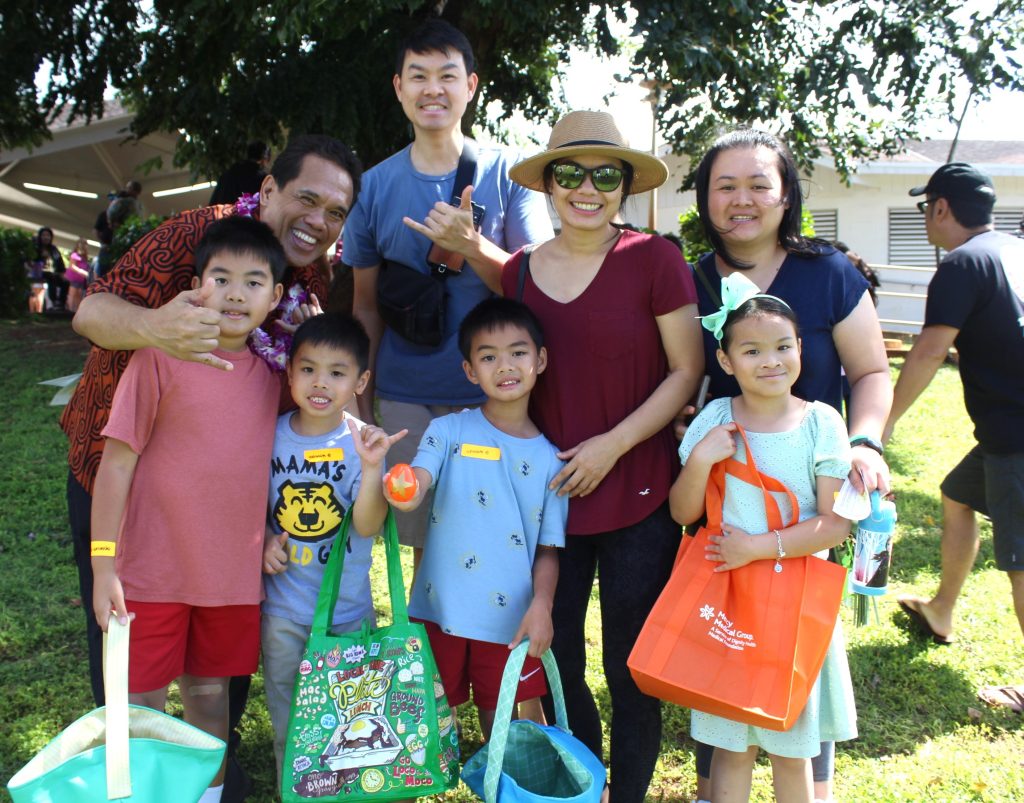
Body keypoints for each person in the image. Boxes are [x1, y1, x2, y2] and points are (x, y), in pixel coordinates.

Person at [64, 134, 360, 801]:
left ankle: (208, 783)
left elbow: (273, 434)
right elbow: (91, 307)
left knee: (213, 684)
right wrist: (157, 329)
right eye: (306, 198)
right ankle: (139, 783)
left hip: (225, 550)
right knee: (128, 668)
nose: (318, 218)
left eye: (336, 210)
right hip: (125, 488)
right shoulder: (198, 233)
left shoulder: (310, 277)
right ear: (271, 187)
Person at [501, 109, 705, 803]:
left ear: (624, 184)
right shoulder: (519, 275)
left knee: (631, 664)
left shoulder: (654, 257)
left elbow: (686, 369)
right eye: (570, 172)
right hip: (549, 499)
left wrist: (613, 445)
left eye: (606, 174)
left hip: (639, 490)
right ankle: (584, 782)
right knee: (556, 656)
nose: (587, 188)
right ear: (548, 184)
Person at [686, 129, 891, 803]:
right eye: (726, 185)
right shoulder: (692, 279)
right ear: (704, 197)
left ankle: (808, 782)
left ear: (786, 195)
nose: (742, 199)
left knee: (796, 653)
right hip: (725, 498)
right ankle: (719, 783)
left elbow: (869, 370)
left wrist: (864, 442)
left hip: (809, 500)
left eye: (758, 184)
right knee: (728, 641)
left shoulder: (829, 271)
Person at [90, 216, 287, 803]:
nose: (234, 293)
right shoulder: (157, 360)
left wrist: (274, 529)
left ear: (275, 297)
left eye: (253, 282)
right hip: (150, 578)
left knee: (209, 701)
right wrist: (104, 565)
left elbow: (283, 465)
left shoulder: (276, 377)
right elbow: (116, 465)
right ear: (195, 284)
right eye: (220, 278)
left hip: (230, 583)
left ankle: (207, 796)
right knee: (142, 705)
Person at [346, 17, 553, 572]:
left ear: (472, 85)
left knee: (498, 538)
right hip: (407, 394)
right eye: (417, 76)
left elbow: (539, 288)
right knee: (419, 546)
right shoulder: (374, 186)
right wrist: (362, 406)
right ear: (398, 88)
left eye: (446, 75)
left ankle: (493, 657)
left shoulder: (511, 173)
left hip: (496, 396)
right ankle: (434, 656)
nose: (432, 89)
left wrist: (473, 245)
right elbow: (365, 306)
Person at [670, 275, 857, 803]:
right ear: (726, 362)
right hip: (727, 607)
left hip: (793, 605)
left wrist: (755, 547)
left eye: (782, 346)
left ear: (802, 349)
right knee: (732, 747)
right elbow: (682, 511)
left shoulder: (822, 423)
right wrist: (701, 457)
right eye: (751, 350)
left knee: (790, 746)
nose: (770, 361)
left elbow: (835, 524)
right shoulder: (715, 419)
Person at [385, 297, 567, 739]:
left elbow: (548, 550)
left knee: (512, 734)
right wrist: (402, 482)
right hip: (436, 610)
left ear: (540, 359)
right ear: (470, 370)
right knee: (422, 728)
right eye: (488, 356)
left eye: (518, 353)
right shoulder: (448, 431)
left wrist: (542, 607)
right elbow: (417, 485)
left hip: (511, 623)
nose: (504, 366)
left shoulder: (552, 461)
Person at [884, 162, 1024, 712]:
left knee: (1018, 560)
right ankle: (941, 609)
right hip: (1001, 430)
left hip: (1016, 434)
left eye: (926, 207)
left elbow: (928, 351)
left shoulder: (962, 264)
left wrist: (886, 419)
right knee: (957, 493)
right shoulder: (1011, 248)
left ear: (941, 208)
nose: (925, 218)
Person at [260, 312, 405, 776]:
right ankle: (296, 784)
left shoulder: (362, 442)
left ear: (360, 381)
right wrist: (261, 540)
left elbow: (366, 526)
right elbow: (251, 508)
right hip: (282, 611)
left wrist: (370, 468)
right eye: (308, 369)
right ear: (289, 372)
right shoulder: (270, 434)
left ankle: (345, 785)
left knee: (351, 721)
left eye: (337, 373)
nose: (320, 383)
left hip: (347, 612)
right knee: (287, 711)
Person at [210, 142, 272, 206]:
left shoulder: (228, 173)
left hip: (222, 213)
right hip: (244, 214)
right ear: (264, 158)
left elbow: (213, 203)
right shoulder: (263, 179)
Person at [31, 226, 68, 310]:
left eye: (48, 235)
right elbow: (31, 260)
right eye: (44, 235)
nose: (46, 237)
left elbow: (60, 262)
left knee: (65, 282)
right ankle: (54, 300)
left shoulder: (53, 249)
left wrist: (62, 272)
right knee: (51, 277)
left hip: (53, 273)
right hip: (39, 273)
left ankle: (61, 303)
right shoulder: (36, 247)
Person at [66, 237, 91, 312]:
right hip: (74, 279)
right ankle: (70, 310)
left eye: (84, 244)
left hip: (81, 280)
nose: (83, 246)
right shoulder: (74, 255)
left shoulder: (84, 257)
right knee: (72, 294)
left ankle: (76, 311)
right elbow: (72, 266)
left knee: (79, 295)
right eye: (81, 243)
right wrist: (82, 272)